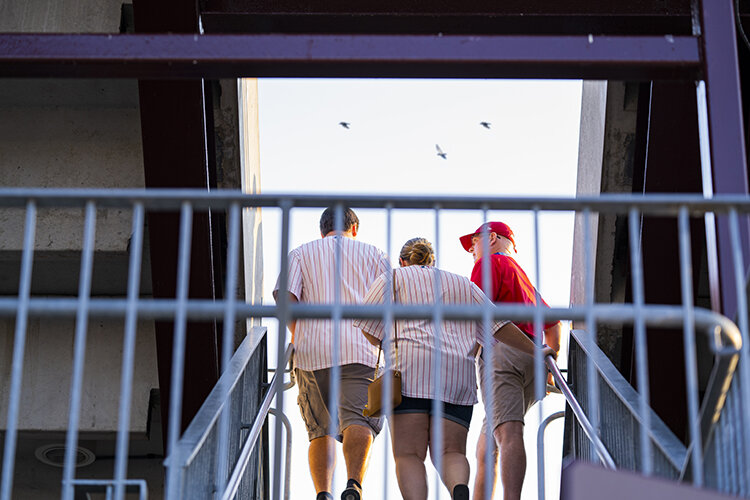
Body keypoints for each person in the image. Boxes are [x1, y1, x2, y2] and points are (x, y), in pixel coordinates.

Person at [354, 237, 554, 500]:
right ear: (433, 261)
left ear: (402, 261)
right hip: (456, 377)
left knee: (409, 454)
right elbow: (498, 325)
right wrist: (536, 350)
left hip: (408, 375)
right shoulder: (463, 284)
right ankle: (459, 489)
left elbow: (368, 328)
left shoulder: (392, 279)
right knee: (452, 453)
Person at [273, 206, 391, 500]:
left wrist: (297, 330)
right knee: (358, 420)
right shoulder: (375, 254)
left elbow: (285, 296)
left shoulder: (301, 252)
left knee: (320, 429)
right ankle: (353, 484)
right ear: (355, 228)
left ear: (321, 229)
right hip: (362, 348)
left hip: (311, 351)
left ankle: (323, 493)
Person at [458, 222, 562, 500]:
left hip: (502, 351)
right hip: (534, 360)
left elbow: (476, 310)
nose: (472, 250)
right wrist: (549, 368)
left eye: (474, 243)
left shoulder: (487, 264)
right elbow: (553, 325)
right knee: (489, 439)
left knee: (508, 432)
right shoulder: (524, 280)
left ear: (491, 238)